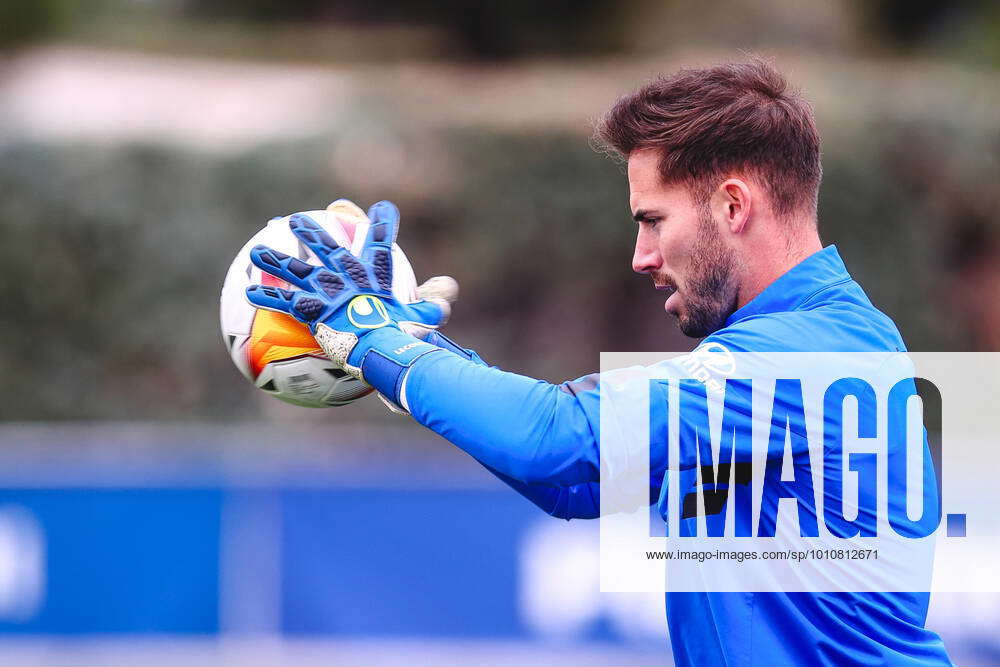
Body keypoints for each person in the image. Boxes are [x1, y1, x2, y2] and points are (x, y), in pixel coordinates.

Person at [244, 60, 952, 665]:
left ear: (733, 205)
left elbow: (559, 441)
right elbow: (574, 484)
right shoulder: (815, 341)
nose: (641, 256)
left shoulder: (806, 355)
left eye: (653, 220)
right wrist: (421, 355)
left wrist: (373, 336)